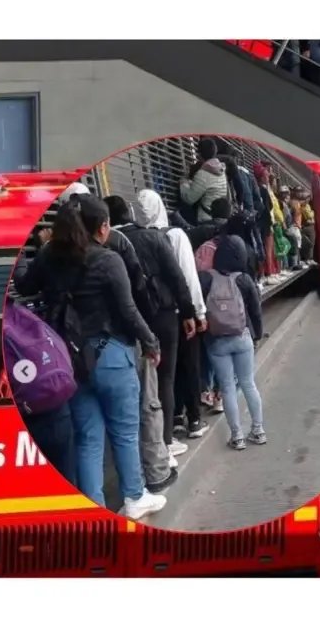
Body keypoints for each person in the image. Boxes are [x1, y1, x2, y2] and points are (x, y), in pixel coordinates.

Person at [14, 196, 165, 520]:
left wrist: (28, 249)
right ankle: (134, 497)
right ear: (101, 228)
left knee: (88, 438)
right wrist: (151, 342)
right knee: (124, 431)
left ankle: (93, 509)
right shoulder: (109, 260)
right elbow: (128, 311)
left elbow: (24, 285)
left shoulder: (47, 257)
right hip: (110, 355)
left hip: (70, 360)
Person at [105, 195, 196, 489]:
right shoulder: (155, 238)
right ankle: (165, 445)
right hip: (163, 316)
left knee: (138, 390)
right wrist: (189, 311)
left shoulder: (106, 245)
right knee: (163, 381)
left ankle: (147, 457)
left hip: (126, 324)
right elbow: (177, 276)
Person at [132, 189, 211, 442]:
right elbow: (187, 277)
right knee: (190, 365)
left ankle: (174, 419)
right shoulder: (174, 235)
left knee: (167, 370)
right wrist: (198, 312)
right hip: (179, 312)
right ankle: (195, 419)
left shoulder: (132, 239)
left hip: (152, 314)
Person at [199, 236, 266, 451]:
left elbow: (198, 307)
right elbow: (255, 311)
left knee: (227, 388)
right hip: (242, 337)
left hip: (217, 342)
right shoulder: (244, 279)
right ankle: (258, 430)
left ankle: (236, 436)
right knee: (248, 384)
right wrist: (257, 335)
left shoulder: (205, 279)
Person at [180, 140, 230, 224]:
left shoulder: (203, 174)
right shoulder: (221, 169)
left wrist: (183, 183)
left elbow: (189, 198)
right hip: (219, 217)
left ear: (199, 155)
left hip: (206, 219)